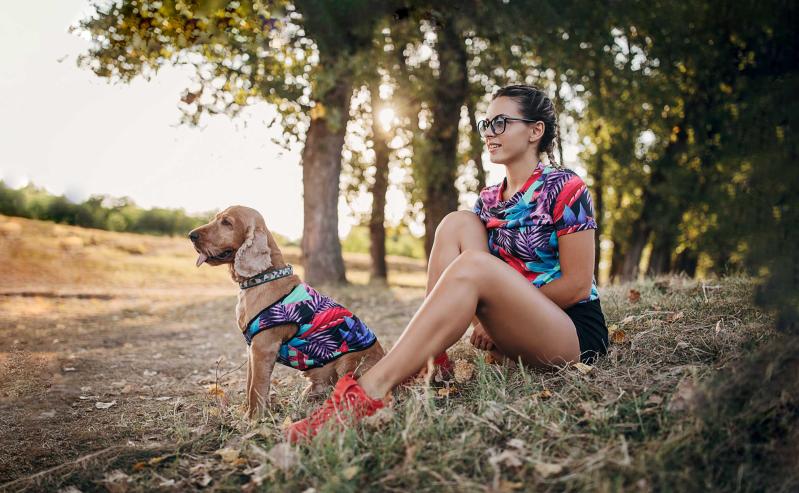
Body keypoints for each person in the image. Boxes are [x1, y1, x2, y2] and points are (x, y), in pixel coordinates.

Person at [286, 84, 608, 442]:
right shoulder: (487, 200)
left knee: (475, 264)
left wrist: (505, 308)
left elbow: (578, 285)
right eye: (486, 123)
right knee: (456, 221)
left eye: (501, 122)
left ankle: (367, 393)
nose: (489, 132)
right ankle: (431, 362)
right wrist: (500, 312)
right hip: (516, 334)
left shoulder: (565, 186)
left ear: (535, 131)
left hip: (572, 335)